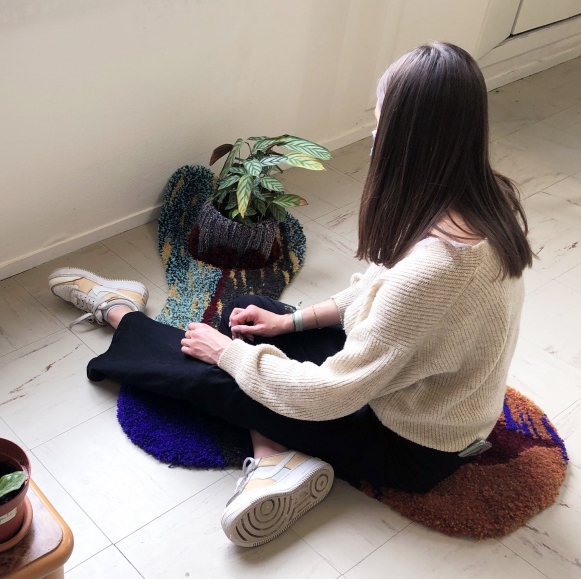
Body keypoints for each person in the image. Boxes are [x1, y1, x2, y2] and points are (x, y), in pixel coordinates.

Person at [48, 42, 533, 548]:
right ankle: (279, 455)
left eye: (378, 121)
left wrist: (230, 357)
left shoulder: (433, 274)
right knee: (245, 313)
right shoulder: (481, 203)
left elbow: (329, 395)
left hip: (410, 445)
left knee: (219, 373)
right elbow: (379, 293)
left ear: (402, 140)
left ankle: (119, 312)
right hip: (430, 397)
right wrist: (292, 324)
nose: (373, 135)